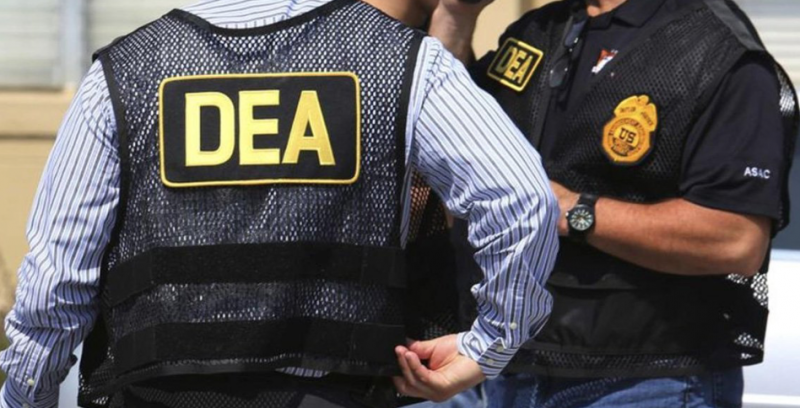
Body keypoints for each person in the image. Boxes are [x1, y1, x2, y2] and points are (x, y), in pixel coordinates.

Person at [0, 0, 561, 407]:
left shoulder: (124, 74)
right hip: (336, 393)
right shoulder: (403, 61)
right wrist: (489, 345)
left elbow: (56, 285)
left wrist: (27, 397)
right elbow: (520, 200)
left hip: (157, 394)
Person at [430, 0, 800, 406]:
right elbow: (443, 137)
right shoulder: (541, 30)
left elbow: (735, 241)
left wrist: (568, 210)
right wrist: (456, 17)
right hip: (512, 369)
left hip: (647, 382)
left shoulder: (718, 49)